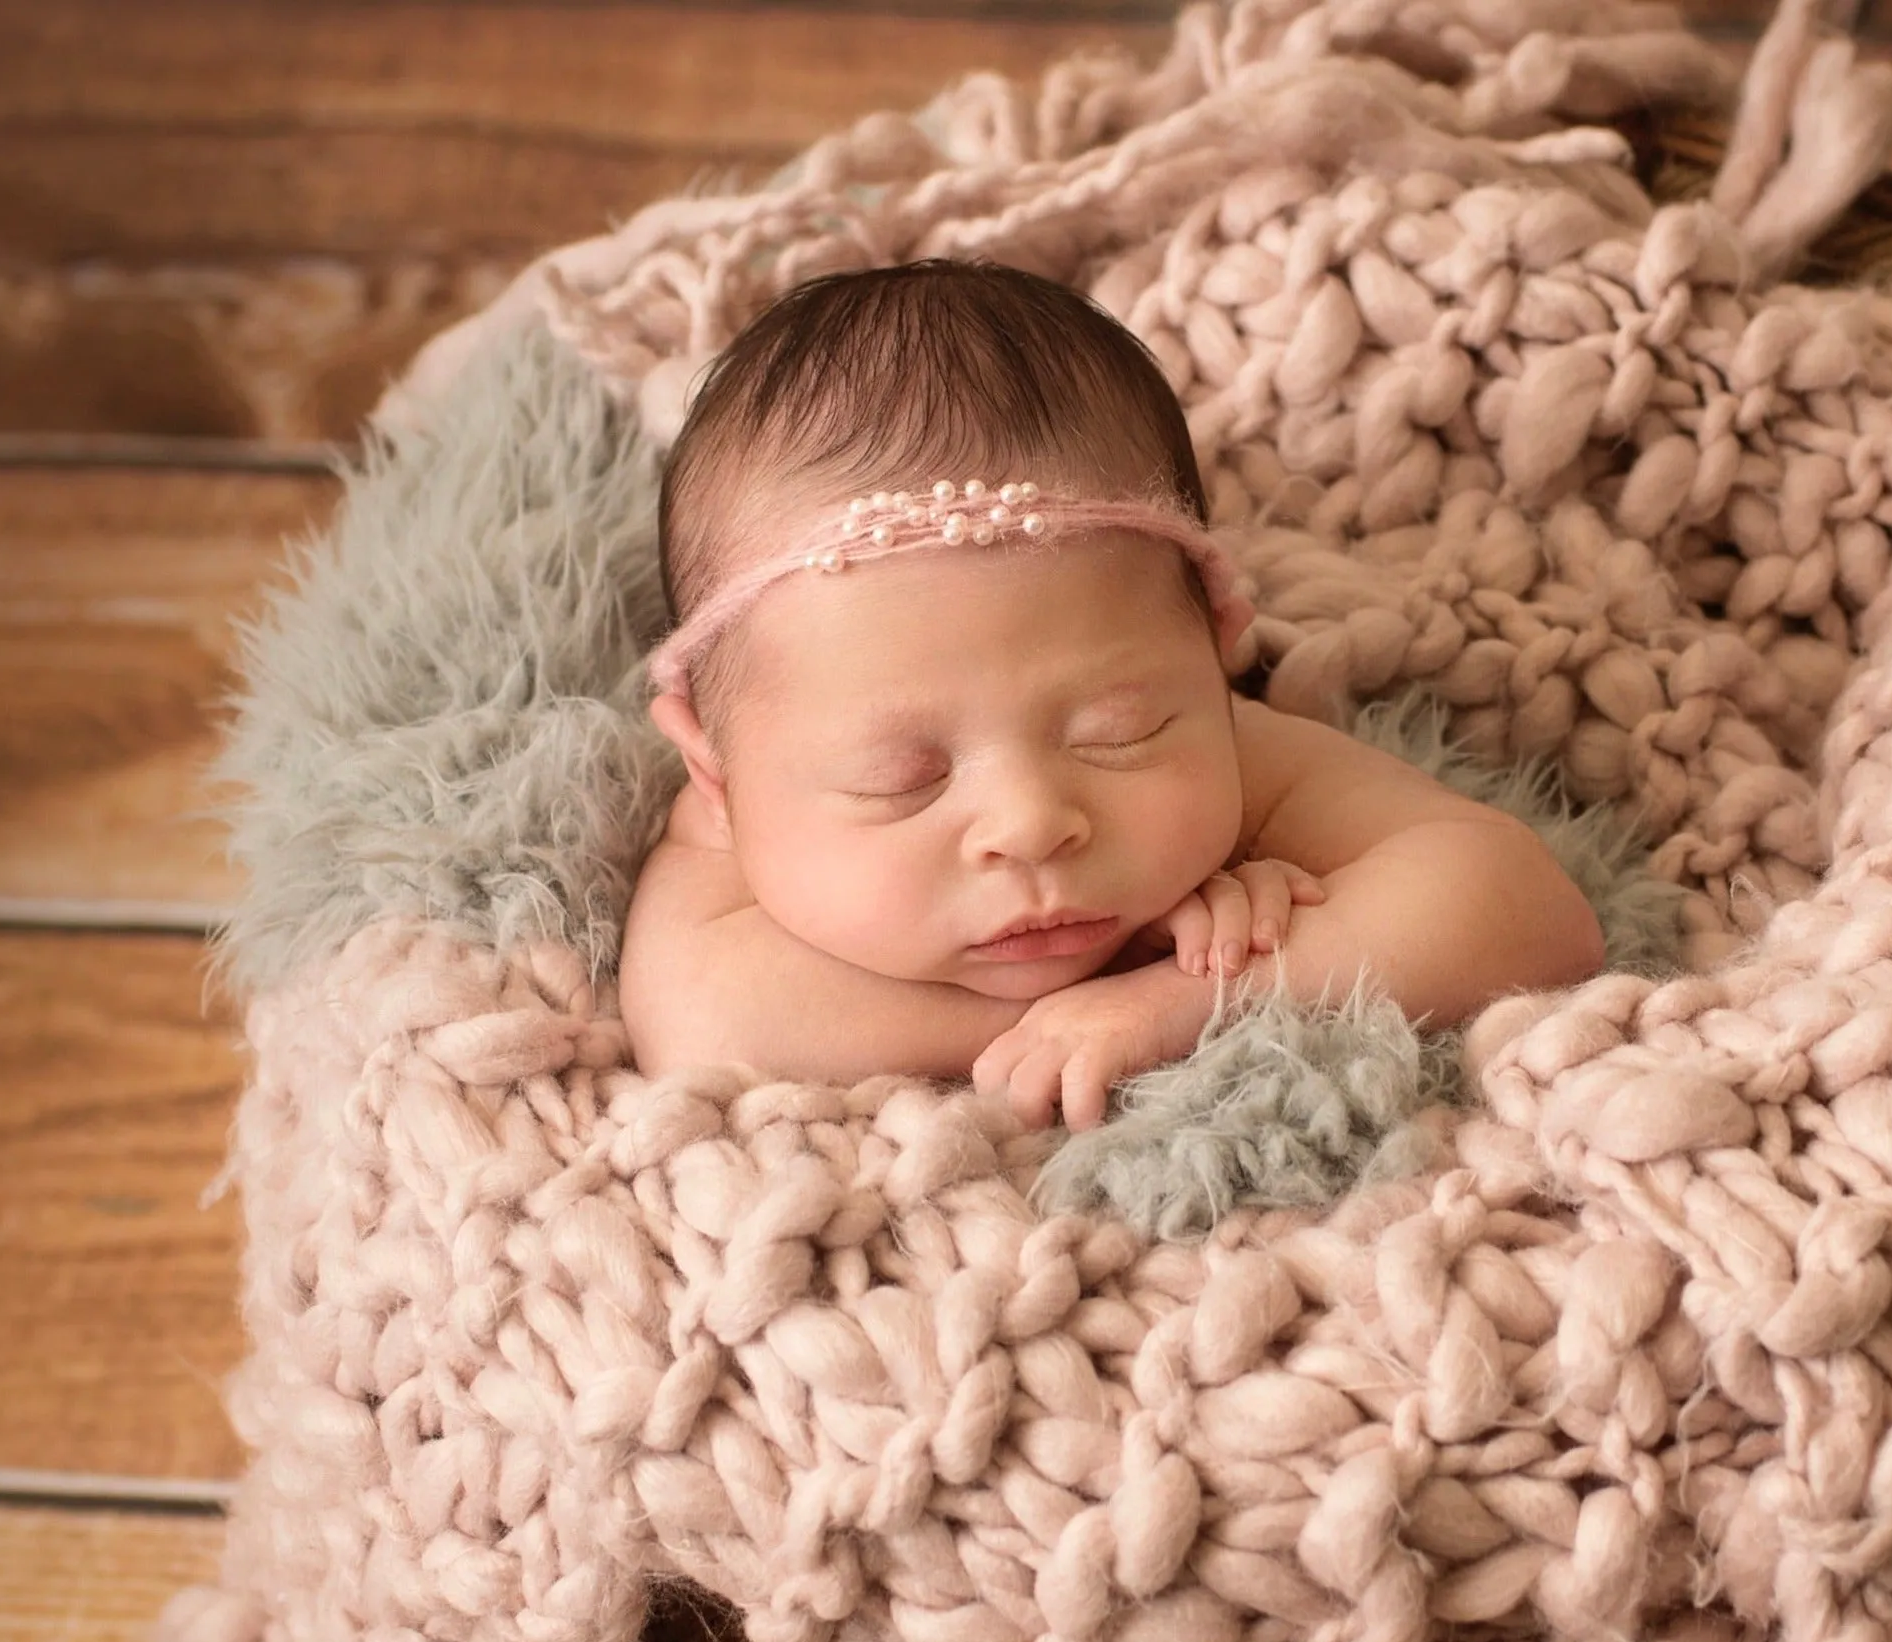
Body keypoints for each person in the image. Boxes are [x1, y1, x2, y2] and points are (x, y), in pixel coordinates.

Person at [620, 260, 1606, 1131]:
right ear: (713, 765)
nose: (1032, 822)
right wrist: (1131, 983)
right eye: (903, 778)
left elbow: (1525, 908)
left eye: (1115, 733)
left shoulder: (1234, 744)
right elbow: (708, 1020)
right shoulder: (735, 817)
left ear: (1216, 657)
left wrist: (1207, 999)